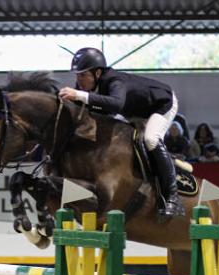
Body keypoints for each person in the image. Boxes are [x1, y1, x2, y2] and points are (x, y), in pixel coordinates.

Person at [59, 47, 183, 217]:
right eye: (77, 75)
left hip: (161, 105)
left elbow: (116, 104)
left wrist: (79, 95)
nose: (79, 80)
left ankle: (172, 197)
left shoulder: (114, 81)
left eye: (82, 75)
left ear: (97, 73)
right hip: (133, 112)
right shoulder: (87, 86)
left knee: (151, 139)